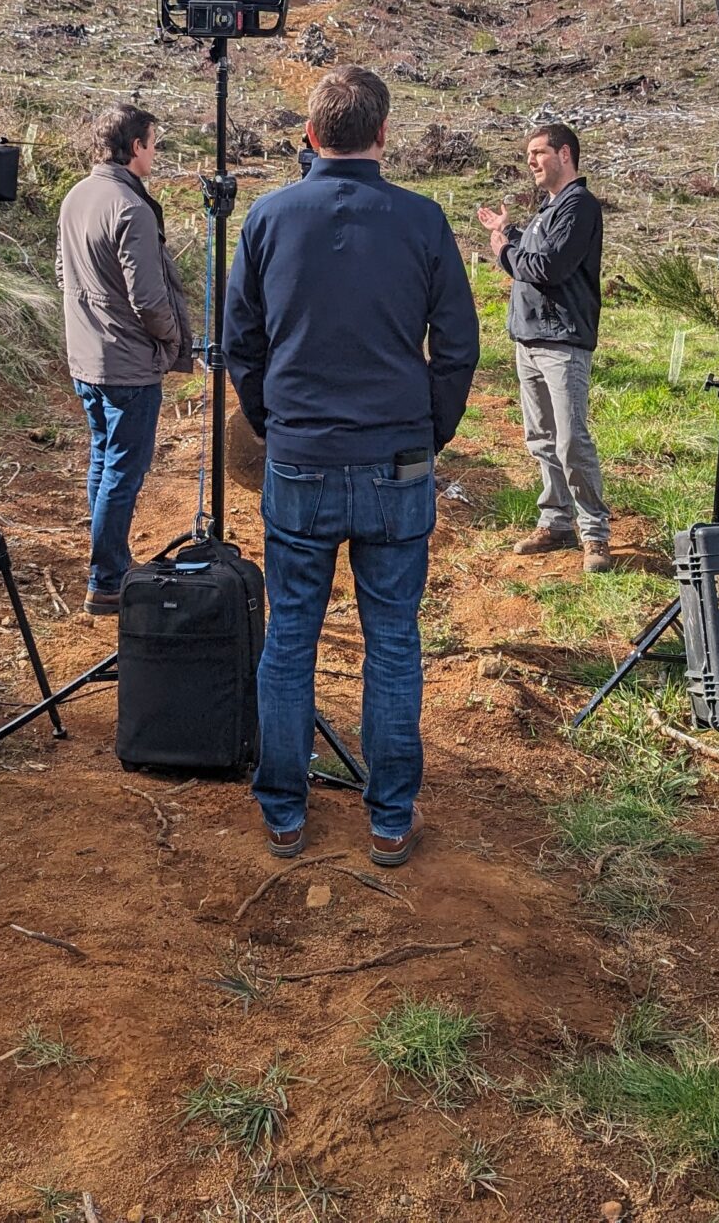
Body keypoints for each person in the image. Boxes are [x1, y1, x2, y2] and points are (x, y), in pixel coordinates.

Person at [226, 67, 479, 868]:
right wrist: (427, 432)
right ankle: (390, 816)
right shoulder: (423, 220)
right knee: (393, 640)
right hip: (395, 459)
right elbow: (458, 346)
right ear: (383, 135)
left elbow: (241, 344)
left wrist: (276, 424)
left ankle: (284, 809)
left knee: (291, 637)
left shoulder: (268, 217)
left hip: (301, 457)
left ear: (310, 136)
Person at [55, 103, 194, 614]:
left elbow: (63, 273)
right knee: (122, 472)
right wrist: (171, 343)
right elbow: (149, 298)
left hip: (86, 358)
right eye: (153, 142)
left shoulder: (76, 196)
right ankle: (109, 578)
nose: (155, 152)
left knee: (102, 460)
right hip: (128, 364)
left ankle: (107, 568)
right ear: (135, 146)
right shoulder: (131, 207)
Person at [477, 122, 612, 573]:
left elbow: (549, 266)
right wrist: (509, 232)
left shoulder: (580, 206)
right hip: (530, 339)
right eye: (529, 154)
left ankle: (594, 532)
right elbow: (535, 252)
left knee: (572, 440)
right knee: (541, 439)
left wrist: (502, 253)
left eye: (539, 152)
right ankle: (556, 521)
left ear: (566, 154)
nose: (531, 161)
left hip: (562, 343)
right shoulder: (549, 208)